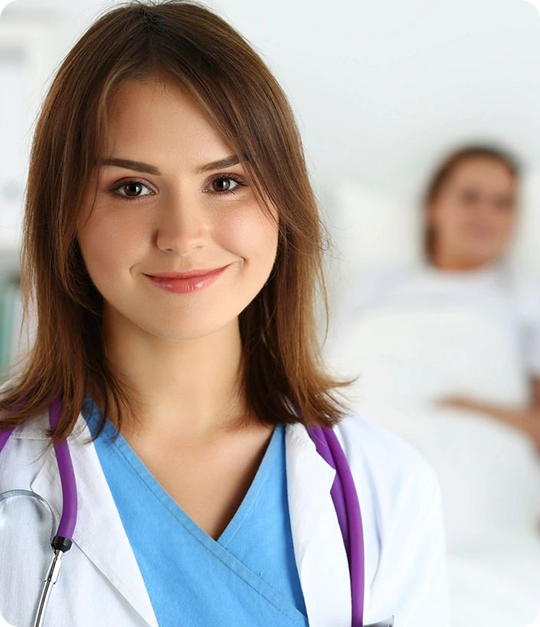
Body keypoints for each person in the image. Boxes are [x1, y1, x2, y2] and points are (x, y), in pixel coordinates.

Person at [0, 1, 451, 625]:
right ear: (64, 215)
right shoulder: (10, 482)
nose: (184, 235)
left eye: (225, 182)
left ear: (282, 200)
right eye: (131, 188)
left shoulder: (389, 489)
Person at [336, 145, 540, 454]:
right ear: (433, 207)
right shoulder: (374, 286)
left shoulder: (525, 295)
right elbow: (322, 379)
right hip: (362, 435)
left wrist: (474, 413)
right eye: (470, 197)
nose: (486, 215)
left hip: (473, 449)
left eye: (503, 203)